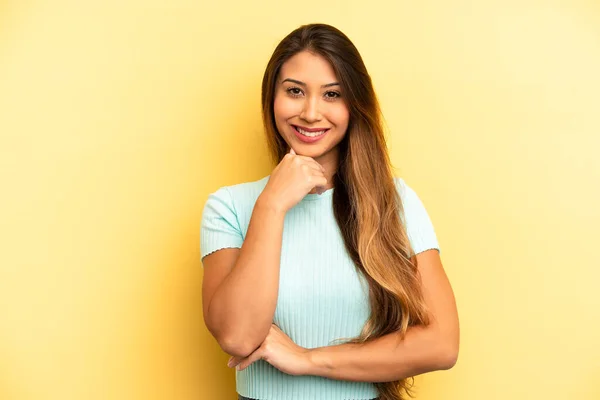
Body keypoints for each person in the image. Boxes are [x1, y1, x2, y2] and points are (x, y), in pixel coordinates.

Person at [200, 23, 459, 400]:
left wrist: (307, 359)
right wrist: (272, 204)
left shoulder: (394, 202)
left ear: (354, 105)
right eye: (294, 91)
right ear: (272, 98)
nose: (310, 112)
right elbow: (238, 336)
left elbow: (442, 344)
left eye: (332, 94)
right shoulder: (229, 208)